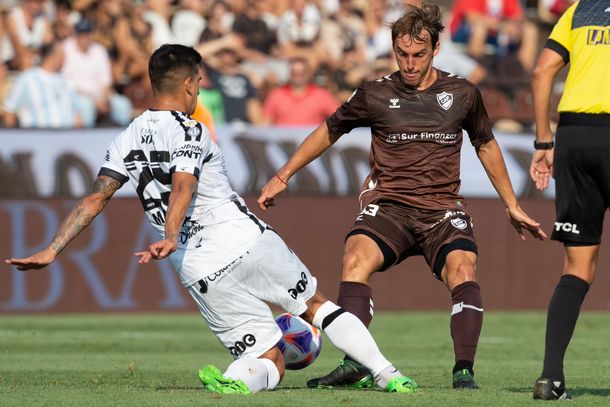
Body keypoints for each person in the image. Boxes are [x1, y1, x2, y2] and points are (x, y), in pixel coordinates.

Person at [5, 43, 417, 395]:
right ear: (188, 84)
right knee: (314, 306)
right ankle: (388, 374)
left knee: (267, 356)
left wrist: (52, 248)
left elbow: (96, 198)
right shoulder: (190, 129)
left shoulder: (125, 137)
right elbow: (184, 184)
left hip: (198, 266)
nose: (199, 88)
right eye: (199, 82)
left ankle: (235, 379)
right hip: (241, 240)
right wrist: (169, 233)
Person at [258, 3, 546, 390]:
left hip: (441, 209)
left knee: (463, 269)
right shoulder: (375, 93)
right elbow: (329, 130)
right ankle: (356, 363)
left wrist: (511, 204)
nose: (410, 64)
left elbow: (487, 145)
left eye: (419, 55)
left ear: (436, 50)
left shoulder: (462, 93)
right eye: (402, 54)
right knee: (355, 258)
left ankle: (463, 370)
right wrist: (283, 174)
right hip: (389, 207)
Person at [529, 0, 610, 401]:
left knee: (577, 267)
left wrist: (544, 140)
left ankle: (550, 378)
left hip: (574, 137)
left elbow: (542, 70)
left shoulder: (580, 9)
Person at [2, 42, 84, 129]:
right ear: (52, 57)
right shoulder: (27, 79)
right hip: (36, 139)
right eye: (62, 56)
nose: (65, 59)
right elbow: (9, 110)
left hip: (66, 138)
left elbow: (77, 114)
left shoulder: (66, 80)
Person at [262, 57, 339, 125]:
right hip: (283, 140)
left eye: (301, 72)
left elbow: (339, 117)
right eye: (294, 72)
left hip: (312, 140)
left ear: (308, 73)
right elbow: (265, 123)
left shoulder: (321, 94)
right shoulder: (276, 94)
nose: (298, 76)